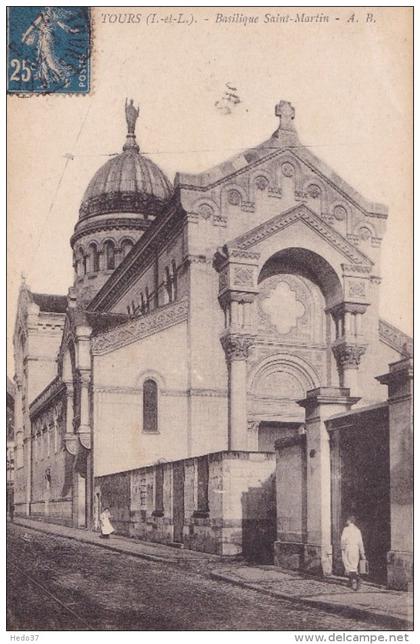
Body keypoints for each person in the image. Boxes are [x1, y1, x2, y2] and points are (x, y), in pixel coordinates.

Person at [341, 515, 366, 590]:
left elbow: (343, 540)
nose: (346, 521)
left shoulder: (346, 529)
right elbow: (360, 542)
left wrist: (342, 549)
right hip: (356, 549)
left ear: (349, 521)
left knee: (348, 565)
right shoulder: (358, 530)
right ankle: (350, 581)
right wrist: (362, 553)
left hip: (348, 548)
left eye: (347, 520)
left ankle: (358, 579)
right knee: (354, 565)